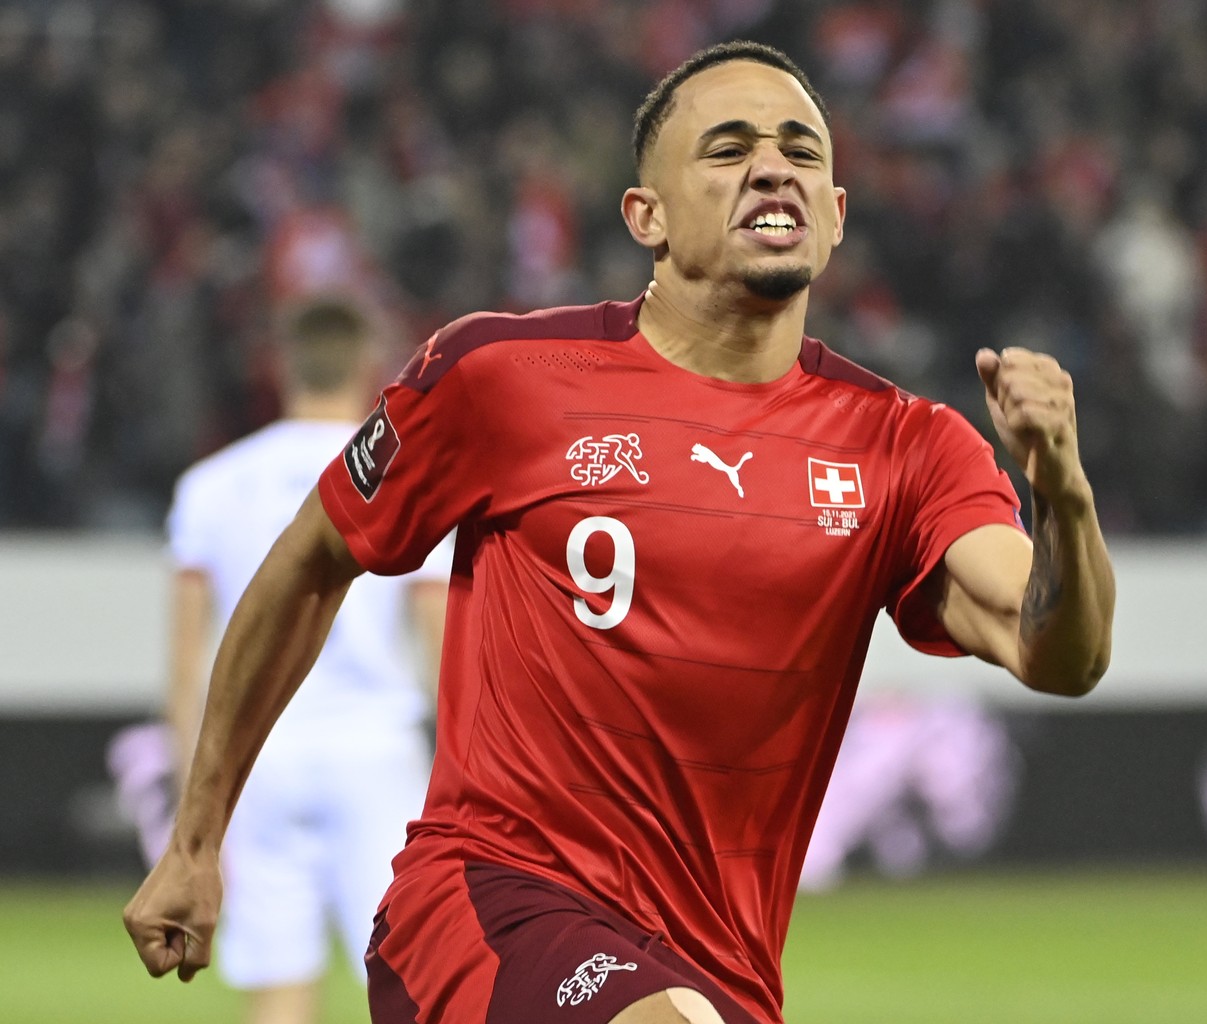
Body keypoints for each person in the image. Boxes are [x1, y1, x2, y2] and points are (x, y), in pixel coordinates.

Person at [125, 41, 1116, 1024]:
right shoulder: (499, 377)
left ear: (837, 212)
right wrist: (198, 840)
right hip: (488, 905)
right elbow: (311, 560)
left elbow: (1055, 652)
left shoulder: (906, 448)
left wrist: (1063, 491)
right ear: (646, 215)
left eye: (801, 150)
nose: (773, 166)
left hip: (716, 966)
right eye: (728, 149)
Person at [158, 296, 450, 1024]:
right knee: (420, 985)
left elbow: (187, 667)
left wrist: (193, 817)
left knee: (279, 991)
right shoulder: (403, 473)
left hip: (259, 758)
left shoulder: (212, 485)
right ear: (366, 366)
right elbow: (443, 647)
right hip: (376, 752)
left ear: (281, 367)